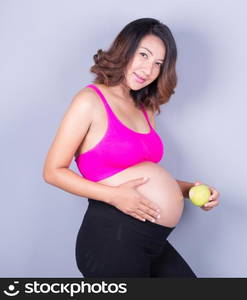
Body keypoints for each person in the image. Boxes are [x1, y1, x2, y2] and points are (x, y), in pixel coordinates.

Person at [42, 17, 220, 277]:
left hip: (150, 238)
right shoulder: (90, 100)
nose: (148, 69)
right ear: (125, 49)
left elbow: (142, 175)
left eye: (158, 63)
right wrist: (113, 196)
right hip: (112, 237)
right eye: (144, 55)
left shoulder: (145, 108)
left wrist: (188, 190)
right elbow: (52, 171)